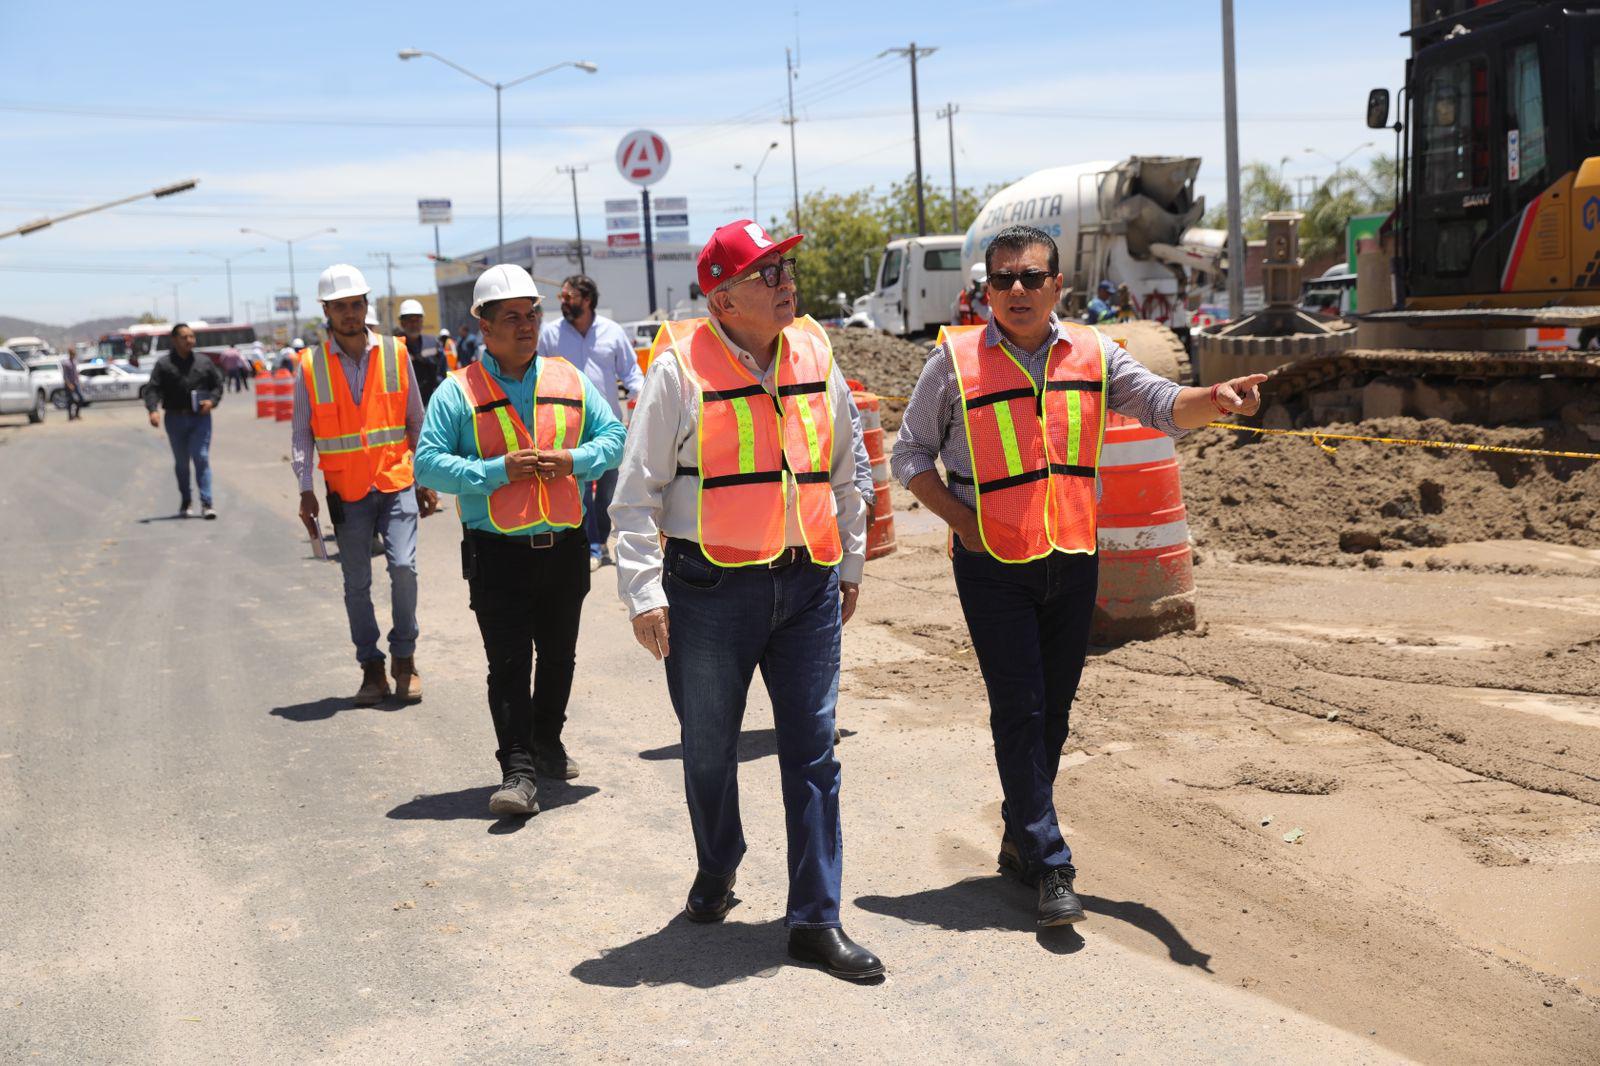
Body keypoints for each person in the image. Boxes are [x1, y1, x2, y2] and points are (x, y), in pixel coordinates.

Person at [891, 224, 1267, 928]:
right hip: (991, 565)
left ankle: (1020, 837)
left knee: (1054, 714)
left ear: (1058, 285)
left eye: (1032, 277)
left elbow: (1161, 404)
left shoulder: (1094, 355)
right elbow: (909, 455)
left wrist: (1215, 399)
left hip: (1071, 558)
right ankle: (1053, 862)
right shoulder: (953, 362)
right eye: (1002, 280)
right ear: (986, 290)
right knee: (1021, 706)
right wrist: (963, 522)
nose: (1017, 291)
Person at [611, 219, 882, 981]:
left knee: (815, 752)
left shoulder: (815, 352)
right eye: (767, 272)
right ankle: (719, 861)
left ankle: (815, 918)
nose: (786, 279)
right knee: (707, 749)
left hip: (807, 586)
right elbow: (635, 498)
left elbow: (844, 468)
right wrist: (642, 595)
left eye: (785, 265)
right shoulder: (677, 371)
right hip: (709, 591)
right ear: (723, 298)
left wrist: (850, 562)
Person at [415, 266, 626, 816]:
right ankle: (518, 770)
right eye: (511, 317)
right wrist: (494, 471)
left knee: (558, 657)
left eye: (532, 314)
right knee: (508, 663)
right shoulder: (456, 392)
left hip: (565, 546)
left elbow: (615, 438)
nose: (527, 325)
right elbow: (429, 465)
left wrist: (575, 461)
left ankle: (548, 741)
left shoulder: (568, 378)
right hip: (496, 555)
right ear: (483, 327)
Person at [291, 264, 440, 707]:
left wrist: (425, 475)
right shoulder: (310, 365)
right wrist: (305, 488)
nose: (351, 314)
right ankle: (371, 667)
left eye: (357, 304)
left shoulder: (395, 353)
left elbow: (415, 419)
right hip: (346, 493)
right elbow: (302, 432)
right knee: (356, 582)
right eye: (341, 307)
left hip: (395, 480)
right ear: (327, 311)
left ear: (365, 306)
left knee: (403, 568)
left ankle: (404, 658)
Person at [538, 274, 643, 571]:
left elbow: (631, 372)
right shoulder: (549, 335)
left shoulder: (612, 333)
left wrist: (645, 396)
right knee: (580, 491)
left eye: (568, 297)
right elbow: (538, 375)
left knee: (608, 494)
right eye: (561, 298)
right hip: (568, 429)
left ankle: (598, 538)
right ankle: (592, 545)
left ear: (586, 300)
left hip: (609, 428)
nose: (563, 303)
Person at [144, 323, 226, 519]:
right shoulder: (164, 364)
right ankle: (186, 500)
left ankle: (207, 503)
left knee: (201, 457)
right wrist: (152, 410)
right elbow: (152, 389)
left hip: (200, 419)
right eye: (184, 337)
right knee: (182, 463)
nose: (190, 340)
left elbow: (217, 385)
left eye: (192, 336)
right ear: (174, 340)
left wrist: (212, 402)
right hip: (174, 418)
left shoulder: (204, 362)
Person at [397, 299, 441, 405]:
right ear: (402, 323)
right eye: (410, 320)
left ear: (422, 322)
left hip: (431, 403)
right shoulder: (395, 346)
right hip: (405, 405)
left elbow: (442, 374)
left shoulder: (433, 343)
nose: (414, 324)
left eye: (417, 320)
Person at [60, 348, 86, 420]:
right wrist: (69, 384)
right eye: (73, 354)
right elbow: (65, 375)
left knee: (81, 398)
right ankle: (70, 416)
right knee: (70, 400)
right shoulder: (66, 363)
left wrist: (79, 383)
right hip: (69, 384)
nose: (74, 356)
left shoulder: (74, 362)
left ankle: (76, 414)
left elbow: (76, 374)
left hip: (75, 383)